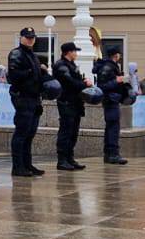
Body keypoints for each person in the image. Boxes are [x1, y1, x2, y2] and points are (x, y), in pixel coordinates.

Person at [6, 27, 46, 177]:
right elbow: (14, 75)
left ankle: (27, 164)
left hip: (34, 97)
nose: (30, 40)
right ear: (21, 37)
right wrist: (31, 71)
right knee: (22, 133)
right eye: (27, 37)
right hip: (23, 97)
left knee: (30, 133)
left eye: (32, 37)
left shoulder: (32, 55)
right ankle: (18, 166)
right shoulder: (17, 53)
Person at [52, 42, 88, 171]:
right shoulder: (61, 65)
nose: (76, 54)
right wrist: (84, 84)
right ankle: (62, 160)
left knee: (73, 131)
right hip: (66, 101)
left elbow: (76, 80)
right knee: (66, 131)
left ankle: (70, 158)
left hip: (75, 102)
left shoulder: (71, 65)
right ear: (68, 52)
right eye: (74, 51)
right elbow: (70, 82)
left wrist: (83, 82)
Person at [94, 48, 129, 165]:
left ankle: (110, 154)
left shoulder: (111, 66)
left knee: (112, 126)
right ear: (116, 55)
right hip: (110, 100)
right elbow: (102, 85)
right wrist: (117, 81)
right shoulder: (107, 67)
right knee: (113, 127)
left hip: (113, 99)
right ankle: (112, 154)